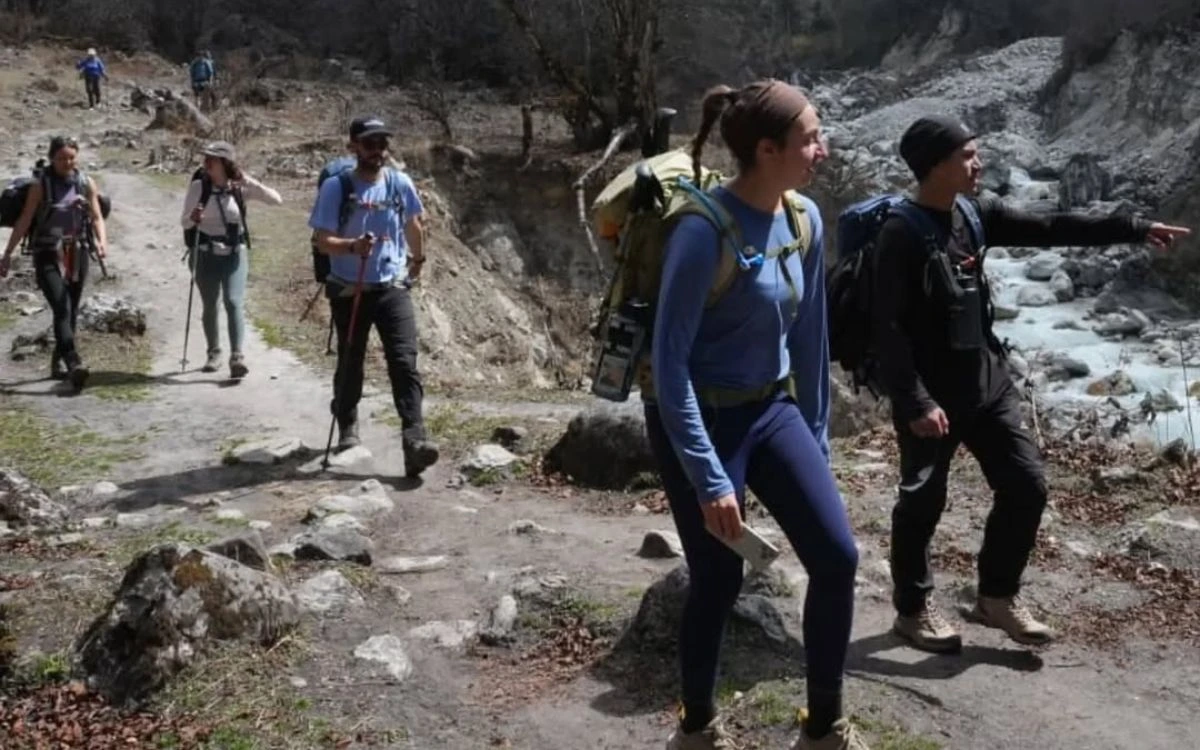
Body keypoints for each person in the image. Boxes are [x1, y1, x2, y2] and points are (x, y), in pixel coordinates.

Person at [872, 114, 1192, 654]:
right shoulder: (900, 233)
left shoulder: (976, 212)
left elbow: (1054, 226)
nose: (979, 164)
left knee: (1026, 486)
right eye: (967, 156)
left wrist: (1133, 227)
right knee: (922, 504)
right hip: (933, 396)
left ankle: (996, 597)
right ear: (934, 166)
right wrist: (914, 400)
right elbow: (887, 328)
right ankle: (911, 610)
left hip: (987, 380)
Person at [649, 81, 868, 750]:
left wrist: (817, 436)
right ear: (766, 150)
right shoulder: (700, 231)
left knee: (836, 557)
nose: (821, 150)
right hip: (700, 421)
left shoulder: (803, 219)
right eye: (809, 139)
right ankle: (696, 725)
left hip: (771, 411)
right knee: (719, 576)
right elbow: (668, 367)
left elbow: (809, 341)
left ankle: (825, 726)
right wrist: (711, 479)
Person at [309, 116, 440, 477]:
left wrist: (418, 259)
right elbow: (322, 238)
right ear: (353, 146)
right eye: (370, 144)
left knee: (404, 360)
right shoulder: (337, 187)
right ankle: (348, 423)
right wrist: (352, 246)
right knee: (351, 359)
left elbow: (414, 222)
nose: (378, 151)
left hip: (391, 286)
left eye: (382, 143)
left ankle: (414, 440)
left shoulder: (399, 183)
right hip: (350, 288)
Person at [0, 136, 109, 391]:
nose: (67, 162)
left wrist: (103, 242)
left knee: (71, 306)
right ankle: (73, 362)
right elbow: (25, 220)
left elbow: (96, 217)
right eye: (61, 158)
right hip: (46, 250)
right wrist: (7, 255)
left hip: (77, 249)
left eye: (71, 157)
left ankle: (59, 360)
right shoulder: (41, 186)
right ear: (51, 158)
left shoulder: (85, 183)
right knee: (61, 304)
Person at [180, 141, 282, 379]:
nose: (206, 163)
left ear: (225, 164)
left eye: (212, 160)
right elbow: (184, 222)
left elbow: (277, 200)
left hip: (235, 253)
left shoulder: (239, 187)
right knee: (210, 304)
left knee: (234, 302)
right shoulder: (198, 187)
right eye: (205, 159)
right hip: (204, 253)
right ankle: (213, 352)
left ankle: (237, 356)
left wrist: (248, 181)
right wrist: (194, 218)